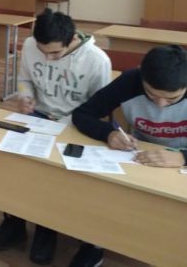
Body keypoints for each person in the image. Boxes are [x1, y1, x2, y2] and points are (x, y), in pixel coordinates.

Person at [0, 9, 111, 266]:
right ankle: (15, 221)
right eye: (43, 52)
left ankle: (46, 228)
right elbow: (25, 79)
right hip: (38, 117)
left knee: (54, 175)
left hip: (75, 124)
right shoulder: (32, 45)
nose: (48, 58)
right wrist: (24, 95)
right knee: (12, 164)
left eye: (55, 53)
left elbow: (100, 108)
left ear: (72, 39)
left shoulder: (97, 61)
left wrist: (71, 125)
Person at [71, 45, 187, 267]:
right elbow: (82, 114)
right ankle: (93, 244)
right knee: (102, 191)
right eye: (152, 94)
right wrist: (108, 133)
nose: (160, 105)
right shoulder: (130, 81)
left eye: (172, 99)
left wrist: (183, 157)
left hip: (180, 164)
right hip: (138, 156)